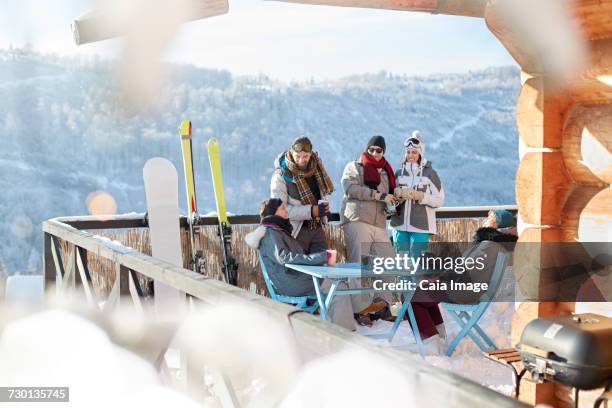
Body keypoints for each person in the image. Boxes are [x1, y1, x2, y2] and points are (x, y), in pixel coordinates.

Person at [246, 198, 386, 330]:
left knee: (340, 280)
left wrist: (320, 259)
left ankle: (348, 322)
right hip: (292, 283)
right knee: (337, 287)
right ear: (273, 212)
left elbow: (293, 257)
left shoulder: (278, 231)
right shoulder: (272, 233)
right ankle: (346, 332)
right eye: (283, 209)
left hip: (295, 278)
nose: (286, 211)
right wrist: (322, 257)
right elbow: (286, 258)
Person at [391, 130, 445, 354]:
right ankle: (404, 304)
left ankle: (422, 315)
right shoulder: (398, 171)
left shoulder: (430, 173)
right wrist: (397, 195)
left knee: (417, 270)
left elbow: (439, 200)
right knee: (402, 266)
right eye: (409, 152)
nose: (411, 155)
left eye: (415, 152)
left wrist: (419, 196)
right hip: (399, 226)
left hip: (421, 226)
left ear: (420, 153)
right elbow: (390, 196)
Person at [340, 136, 397, 325]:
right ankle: (359, 310)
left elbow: (388, 197)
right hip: (357, 219)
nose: (374, 153)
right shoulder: (355, 167)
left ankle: (381, 306)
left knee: (388, 263)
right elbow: (350, 189)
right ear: (366, 149)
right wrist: (378, 195)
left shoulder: (386, 173)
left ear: (383, 152)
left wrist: (392, 203)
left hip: (379, 222)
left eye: (379, 150)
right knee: (357, 266)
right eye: (371, 149)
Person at [271, 136, 334, 254]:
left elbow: (322, 196)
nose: (301, 160)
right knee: (299, 271)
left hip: (317, 228)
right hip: (294, 232)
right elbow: (279, 211)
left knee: (323, 267)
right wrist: (311, 211)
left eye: (305, 156)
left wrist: (324, 211)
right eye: (297, 156)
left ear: (311, 154)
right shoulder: (281, 175)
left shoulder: (317, 170)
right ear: (291, 153)